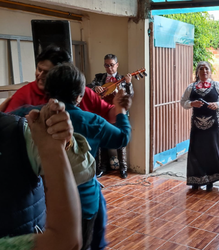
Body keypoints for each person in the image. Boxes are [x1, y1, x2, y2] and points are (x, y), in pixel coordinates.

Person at [12, 62, 132, 249]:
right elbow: (122, 138)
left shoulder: (29, 114)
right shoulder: (91, 121)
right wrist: (121, 111)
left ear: (48, 91)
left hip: (43, 205)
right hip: (83, 202)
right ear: (79, 96)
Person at [0, 100, 85, 249]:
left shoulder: (16, 129)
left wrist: (65, 143)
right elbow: (65, 241)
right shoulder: (22, 98)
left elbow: (82, 170)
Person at [3, 46, 128, 124]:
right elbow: (5, 127)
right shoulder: (24, 94)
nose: (39, 75)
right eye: (39, 69)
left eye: (47, 72)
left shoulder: (83, 93)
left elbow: (110, 115)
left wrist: (120, 105)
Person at [180, 61, 219, 191]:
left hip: (213, 125)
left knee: (212, 151)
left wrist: (217, 105)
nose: (204, 71)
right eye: (201, 69)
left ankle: (211, 181)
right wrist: (192, 104)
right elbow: (183, 102)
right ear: (197, 72)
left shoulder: (218, 86)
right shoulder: (191, 87)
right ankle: (196, 180)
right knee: (197, 151)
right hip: (197, 125)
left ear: (210, 71)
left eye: (206, 69)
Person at [87, 54, 134, 179]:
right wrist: (95, 87)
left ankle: (123, 168)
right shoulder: (99, 78)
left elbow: (129, 96)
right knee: (103, 139)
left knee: (121, 139)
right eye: (106, 65)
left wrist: (128, 84)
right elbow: (88, 88)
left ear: (117, 65)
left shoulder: (122, 79)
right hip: (103, 112)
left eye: (112, 65)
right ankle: (103, 167)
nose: (109, 68)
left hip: (118, 112)